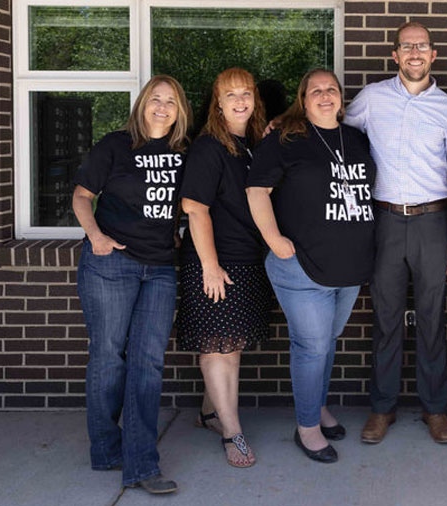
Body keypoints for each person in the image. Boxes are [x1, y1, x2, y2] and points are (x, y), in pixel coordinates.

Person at [247, 69, 377, 463]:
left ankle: (317, 408)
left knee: (325, 344)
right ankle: (307, 428)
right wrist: (274, 240)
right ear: (303, 100)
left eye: (332, 90)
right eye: (316, 91)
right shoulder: (285, 139)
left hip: (349, 268)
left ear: (341, 98)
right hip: (301, 266)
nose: (325, 96)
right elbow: (257, 191)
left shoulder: (355, 138)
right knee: (312, 346)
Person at [344, 21, 447, 445]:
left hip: (433, 221)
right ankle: (383, 408)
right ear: (395, 55)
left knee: (433, 318)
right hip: (386, 220)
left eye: (422, 46)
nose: (415, 52)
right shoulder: (372, 99)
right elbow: (336, 133)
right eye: (407, 46)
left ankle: (435, 409)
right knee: (386, 318)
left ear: (433, 55)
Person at [73, 75, 191, 494]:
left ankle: (142, 463)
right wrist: (96, 237)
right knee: (108, 358)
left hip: (159, 269)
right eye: (155, 99)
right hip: (111, 264)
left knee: (148, 363)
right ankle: (105, 447)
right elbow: (82, 195)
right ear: (142, 104)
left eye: (171, 102)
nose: (162, 107)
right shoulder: (116, 145)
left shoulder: (184, 151)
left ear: (180, 111)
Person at [176, 67, 272, 468]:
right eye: (229, 94)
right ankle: (233, 435)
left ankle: (211, 413)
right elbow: (194, 209)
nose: (239, 101)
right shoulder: (209, 147)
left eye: (245, 93)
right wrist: (210, 267)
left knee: (229, 343)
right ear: (217, 101)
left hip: (246, 260)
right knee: (221, 350)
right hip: (217, 262)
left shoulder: (248, 144)